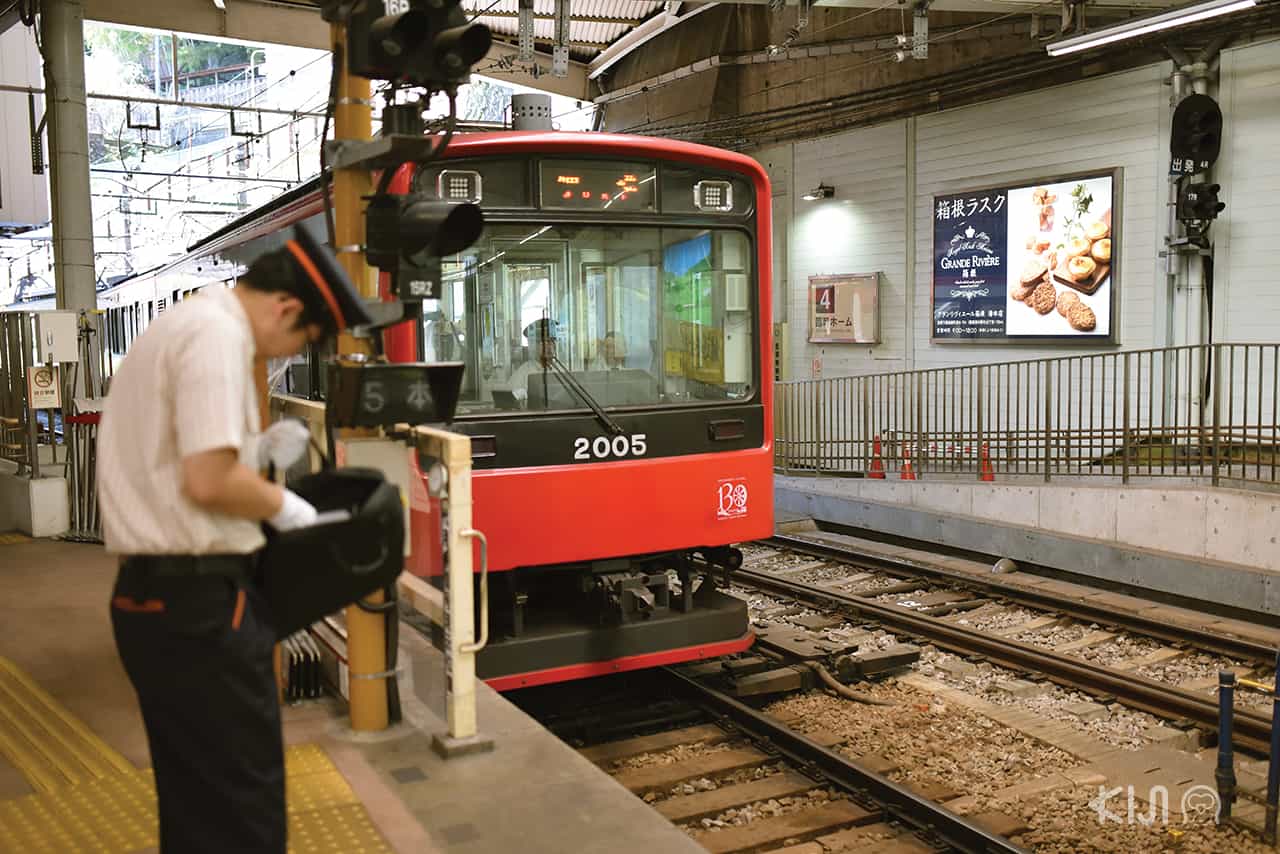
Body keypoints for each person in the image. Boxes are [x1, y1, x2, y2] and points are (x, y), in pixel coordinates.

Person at [97, 227, 371, 853]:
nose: (283, 354)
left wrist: (255, 453)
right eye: (301, 340)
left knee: (199, 802)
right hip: (198, 607)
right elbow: (209, 479)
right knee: (241, 808)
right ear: (288, 307)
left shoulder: (186, 322)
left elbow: (180, 462)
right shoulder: (219, 336)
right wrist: (285, 504)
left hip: (157, 598)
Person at [504, 317, 558, 404]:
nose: (550, 346)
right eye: (544, 342)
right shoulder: (523, 372)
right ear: (534, 346)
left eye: (552, 341)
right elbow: (505, 401)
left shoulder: (562, 372)